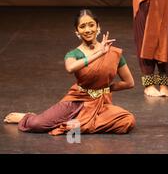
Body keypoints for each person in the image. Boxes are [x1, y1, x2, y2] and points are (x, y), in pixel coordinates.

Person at [3, 9, 135, 135]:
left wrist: (104, 89)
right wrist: (99, 53)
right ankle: (28, 116)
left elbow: (129, 83)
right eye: (82, 26)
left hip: (100, 104)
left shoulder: (114, 53)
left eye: (91, 25)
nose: (88, 30)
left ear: (98, 27)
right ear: (77, 31)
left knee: (127, 121)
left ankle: (78, 124)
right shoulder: (73, 54)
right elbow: (70, 68)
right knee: (37, 124)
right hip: (77, 100)